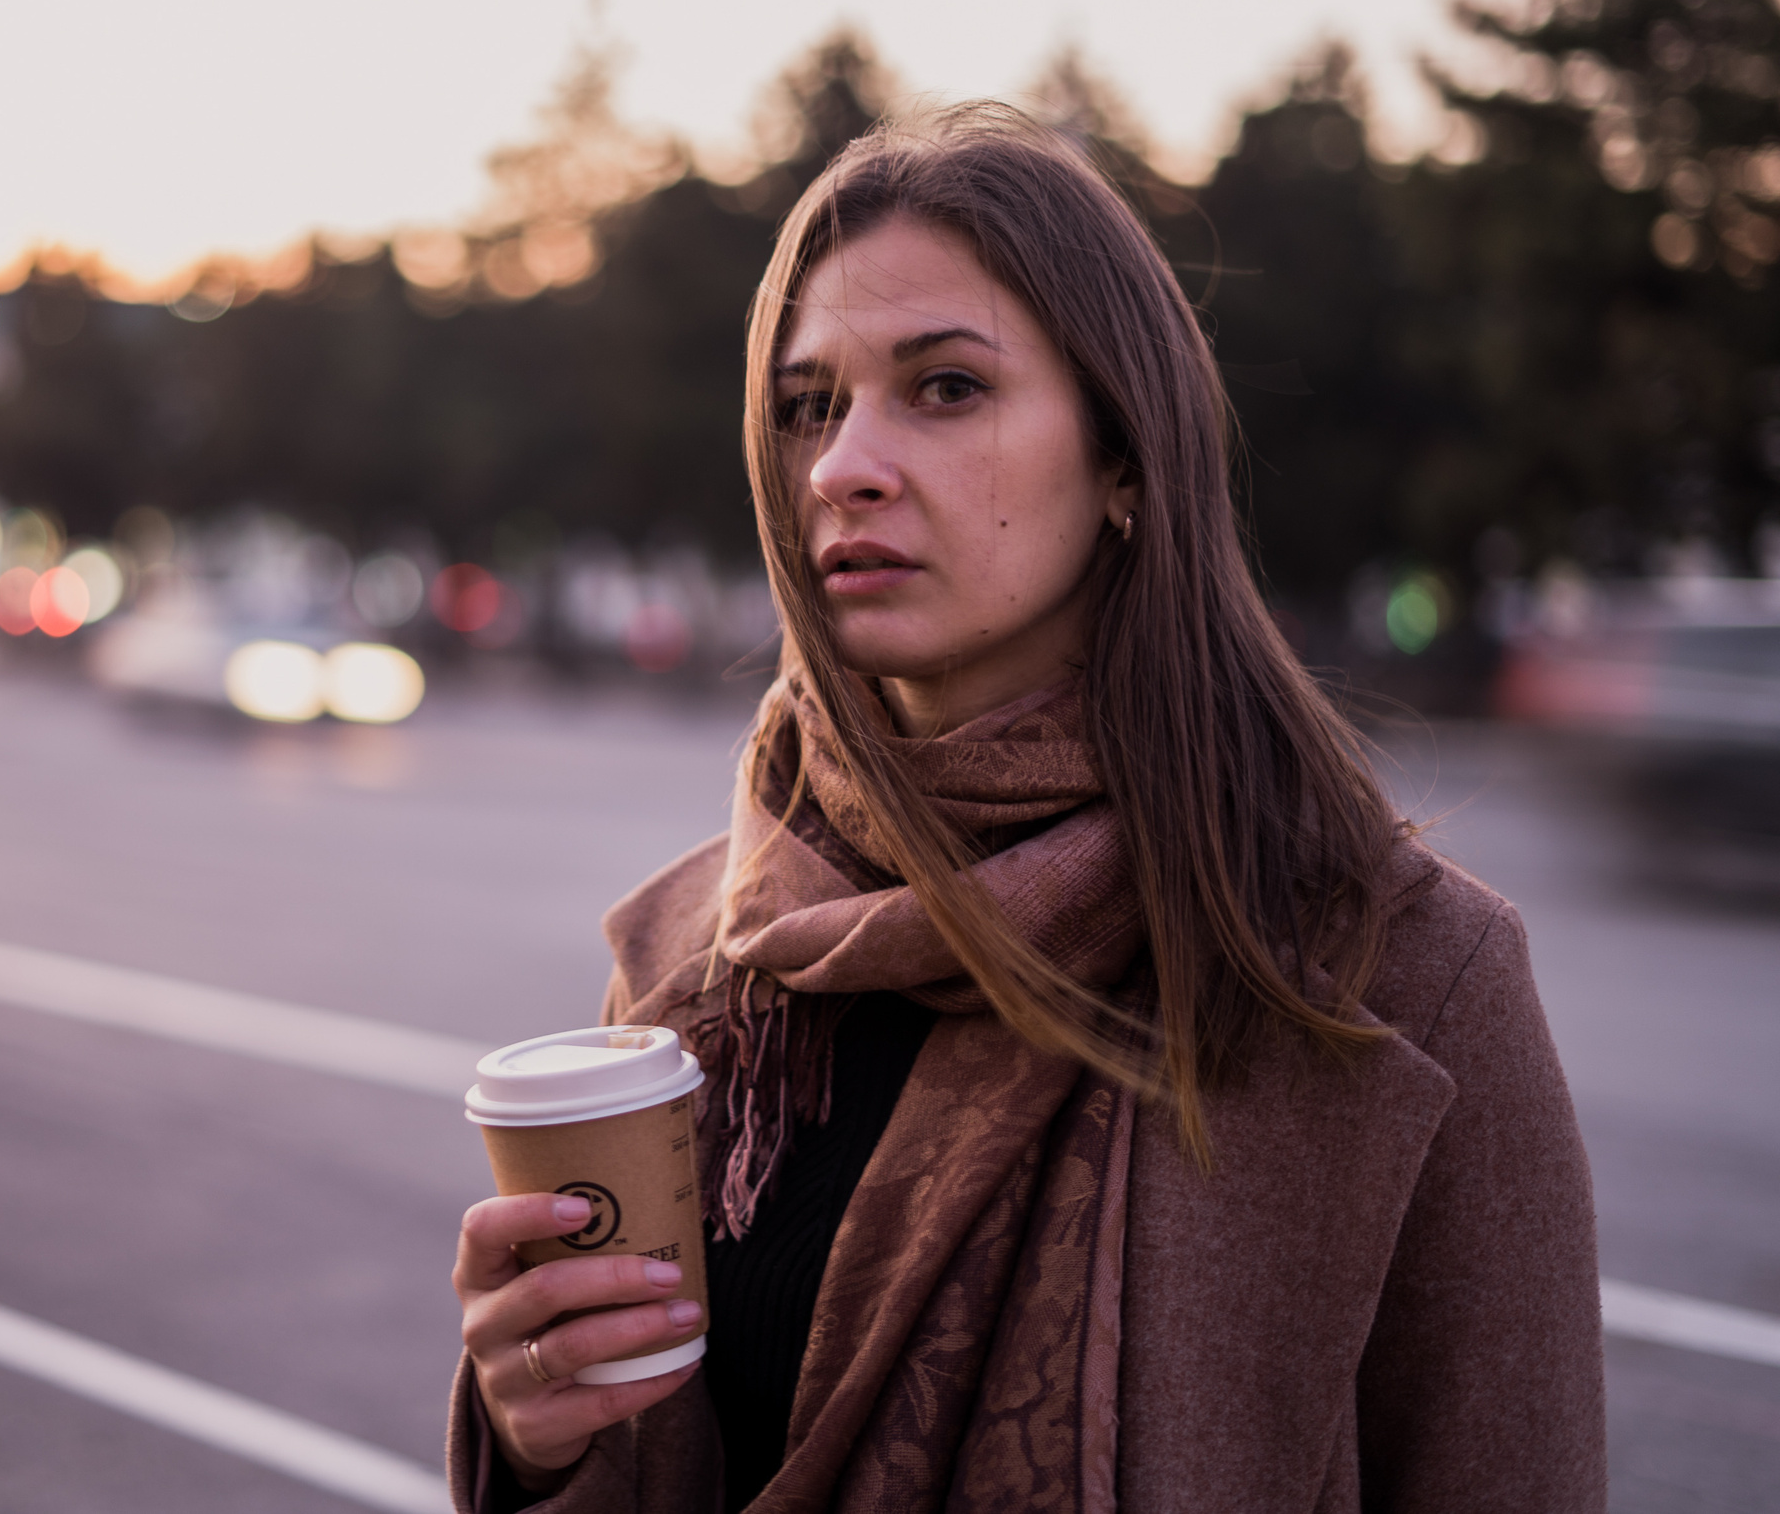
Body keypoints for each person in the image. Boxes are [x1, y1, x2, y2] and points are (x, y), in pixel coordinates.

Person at [447, 108, 1606, 1512]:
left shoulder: (1396, 975)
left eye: (945, 387)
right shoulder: (701, 958)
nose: (842, 466)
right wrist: (545, 1441)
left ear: (1123, 457)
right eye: (809, 406)